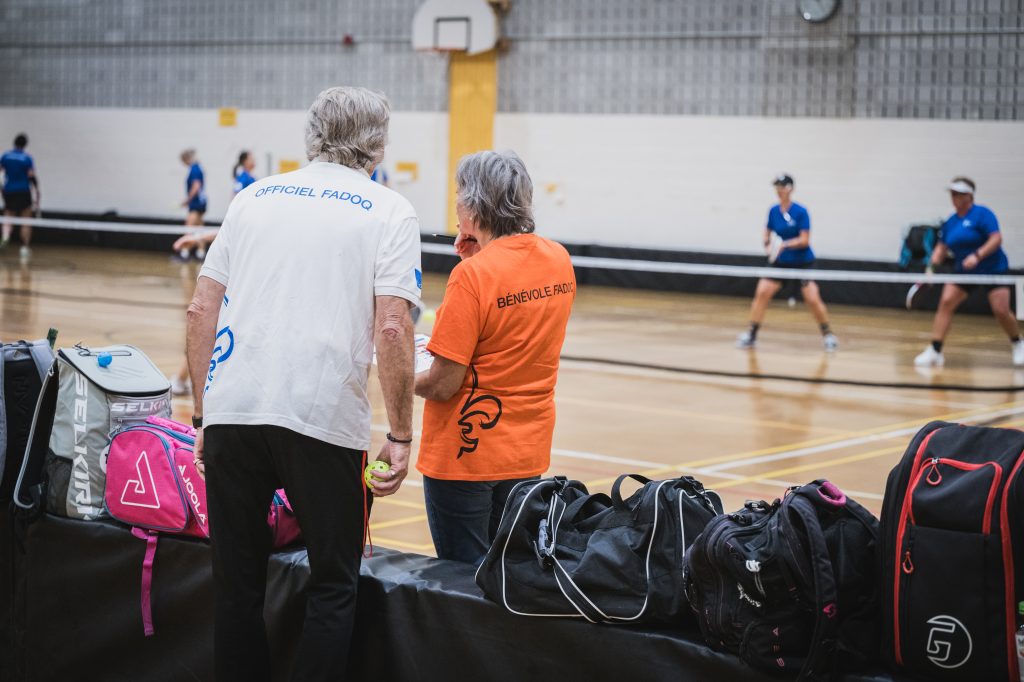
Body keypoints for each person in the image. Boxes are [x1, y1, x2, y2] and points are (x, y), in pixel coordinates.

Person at [186, 86, 421, 681]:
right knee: (334, 585)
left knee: (235, 588)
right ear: (378, 145)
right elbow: (393, 326)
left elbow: (200, 311)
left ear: (311, 135)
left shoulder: (252, 197)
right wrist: (399, 432)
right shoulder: (389, 209)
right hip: (321, 418)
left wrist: (201, 416)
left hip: (233, 411)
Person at [414, 150, 576, 566]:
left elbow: (443, 383)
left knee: (462, 583)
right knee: (509, 577)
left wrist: (395, 368)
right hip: (526, 450)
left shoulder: (471, 277)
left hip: (466, 454)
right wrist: (478, 255)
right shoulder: (558, 259)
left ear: (472, 204)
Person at [914, 177, 1023, 367]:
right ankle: (935, 350)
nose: (954, 197)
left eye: (958, 193)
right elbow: (941, 247)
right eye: (952, 193)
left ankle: (1018, 343)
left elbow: (996, 239)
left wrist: (977, 255)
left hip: (992, 269)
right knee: (946, 302)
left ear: (969, 196)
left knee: (1001, 310)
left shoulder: (982, 214)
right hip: (964, 271)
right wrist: (932, 265)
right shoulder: (951, 222)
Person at [737, 174, 838, 351]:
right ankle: (751, 334)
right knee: (762, 292)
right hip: (780, 262)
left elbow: (805, 239)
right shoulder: (773, 211)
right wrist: (769, 246)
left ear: (790, 189)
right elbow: (766, 233)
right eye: (777, 187)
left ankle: (828, 335)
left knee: (812, 298)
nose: (779, 190)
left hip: (802, 262)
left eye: (782, 187)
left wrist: (785, 244)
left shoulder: (801, 211)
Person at [1, 133, 40, 258]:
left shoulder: (5, 156)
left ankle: (5, 236)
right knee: (25, 220)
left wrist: (2, 188)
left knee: (8, 215)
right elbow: (31, 176)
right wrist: (37, 190)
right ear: (25, 144)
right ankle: (24, 247)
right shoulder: (27, 158)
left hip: (9, 191)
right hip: (23, 191)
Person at [175, 148, 208, 259]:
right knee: (199, 229)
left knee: (189, 228)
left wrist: (187, 200)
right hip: (201, 203)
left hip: (196, 203)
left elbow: (196, 186)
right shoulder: (198, 168)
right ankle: (201, 252)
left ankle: (185, 252)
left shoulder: (194, 169)